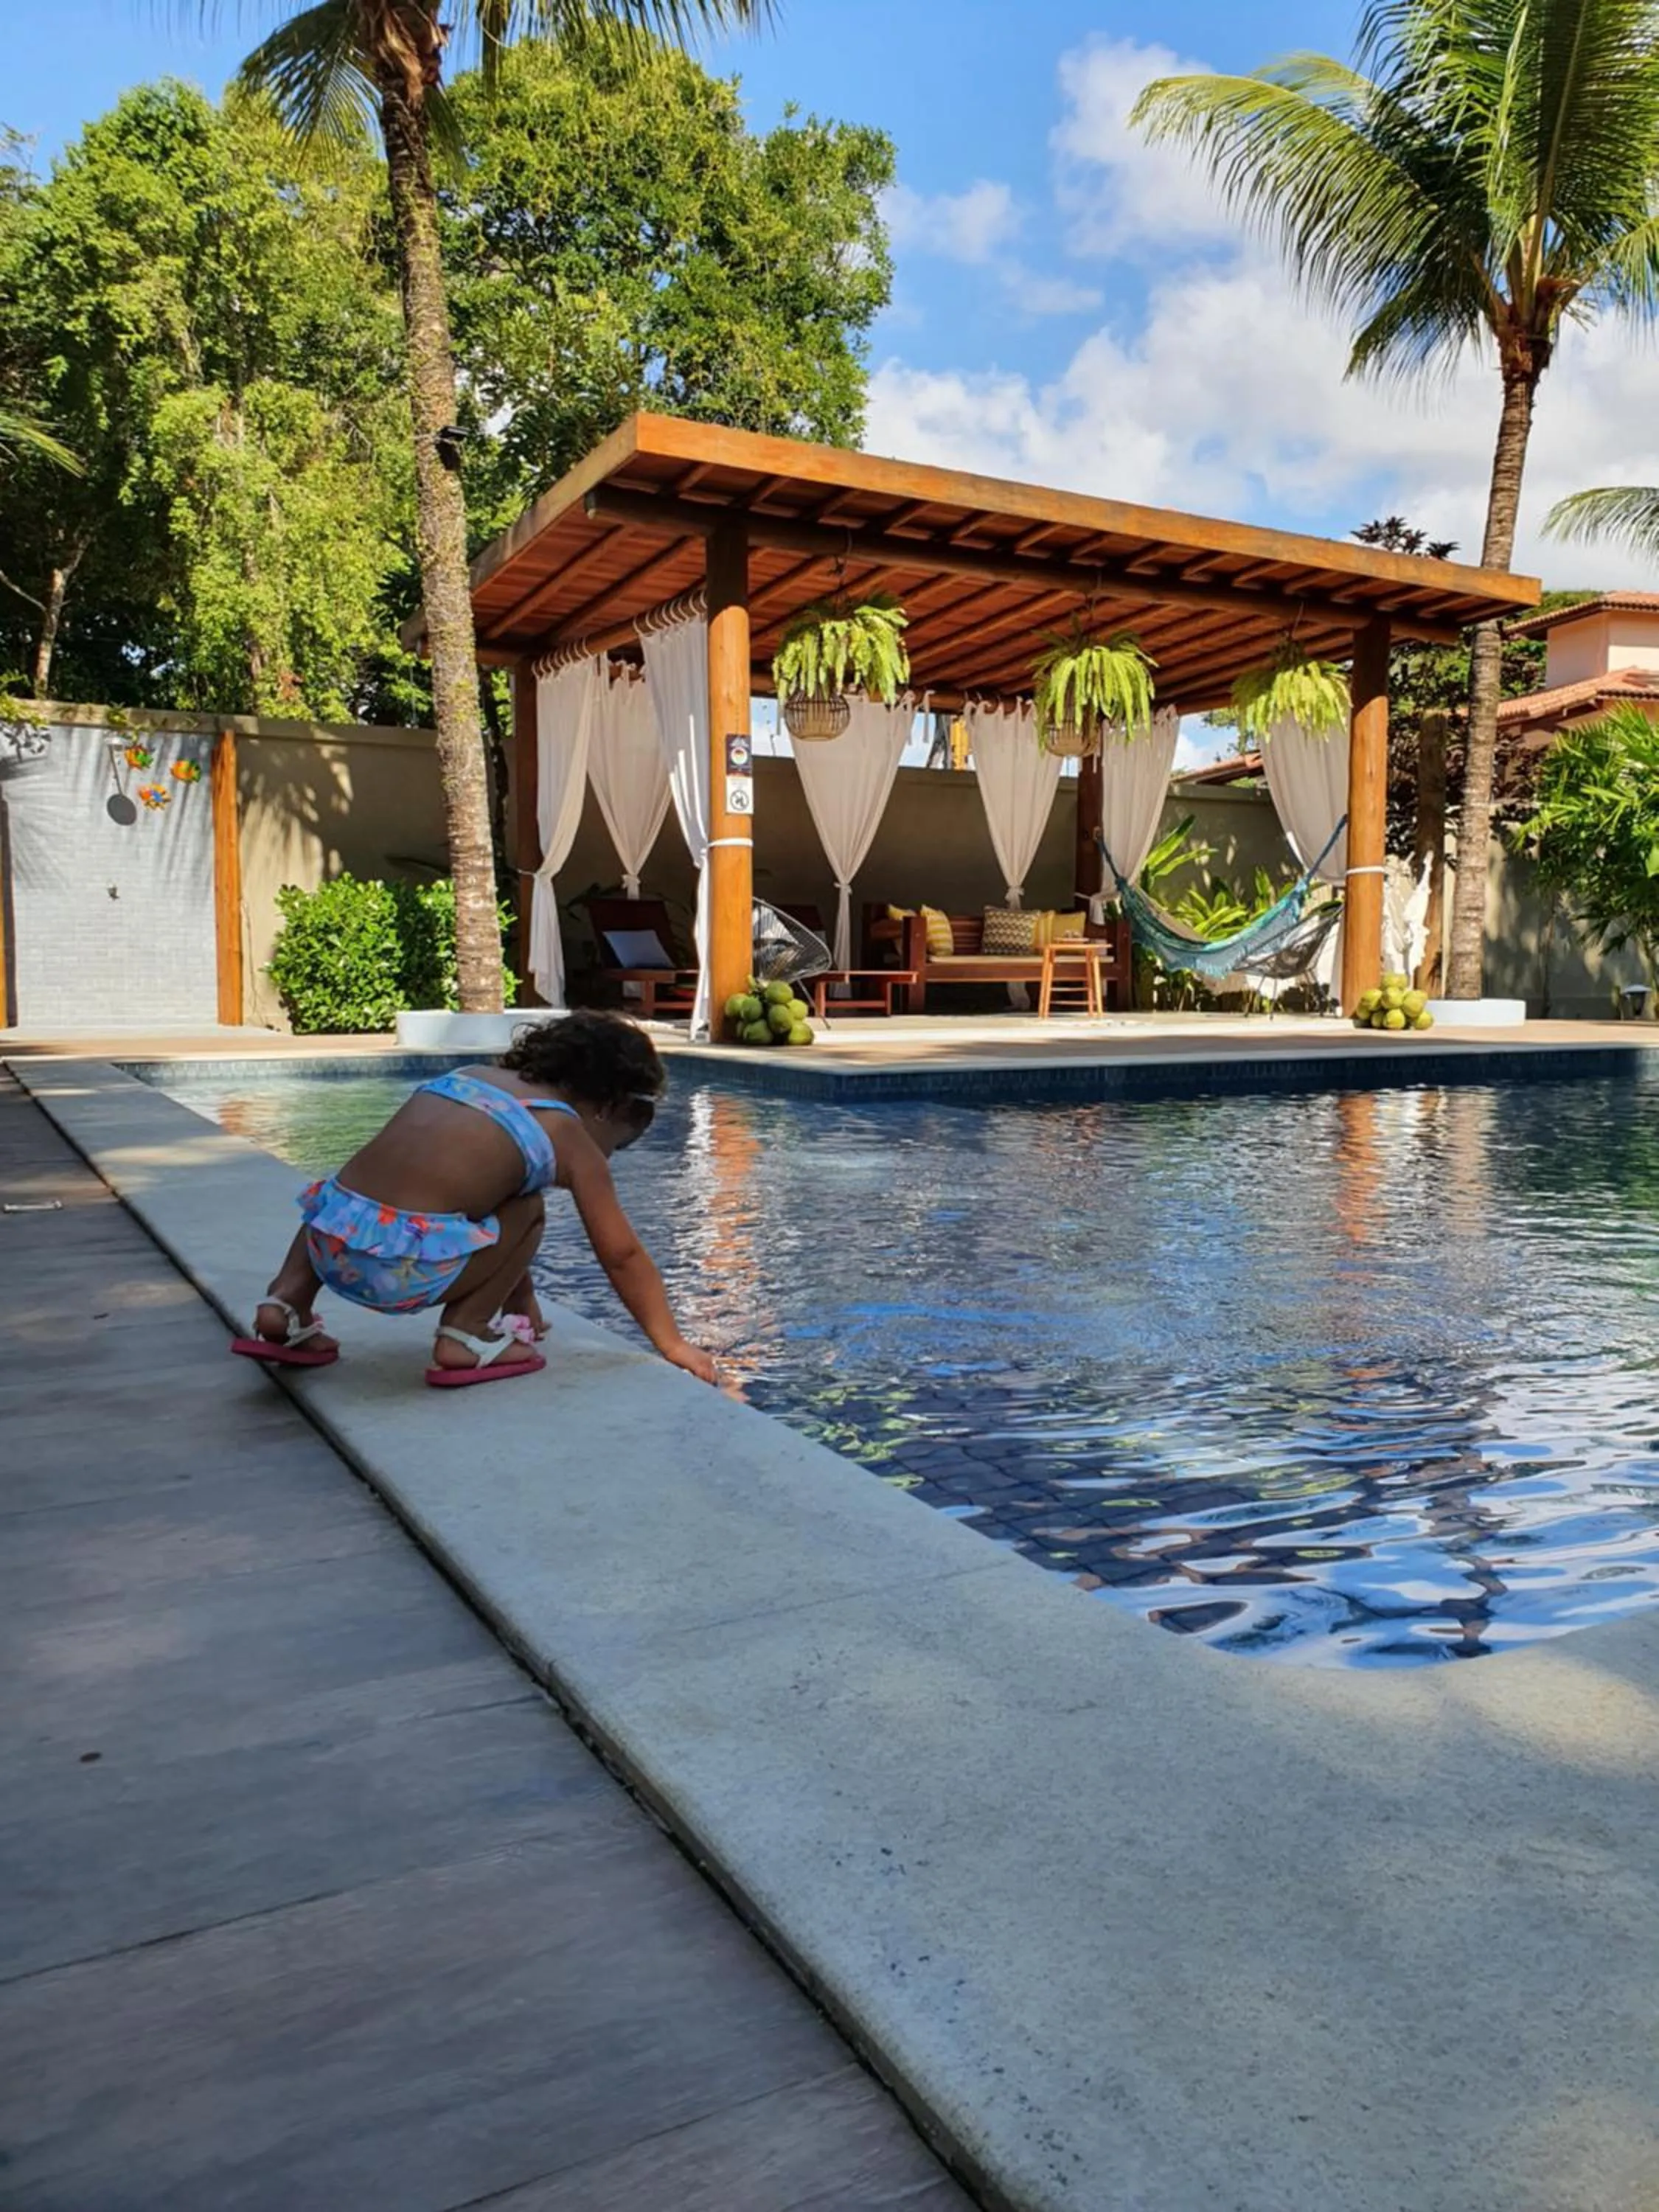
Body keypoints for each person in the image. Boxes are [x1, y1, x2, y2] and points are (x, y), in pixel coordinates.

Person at [231, 1011, 716, 1390]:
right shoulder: (566, 1134)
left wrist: (525, 1309)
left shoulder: (469, 1077)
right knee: (528, 1207)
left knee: (348, 1195)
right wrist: (671, 1343)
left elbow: (475, 1205)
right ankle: (464, 1334)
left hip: (327, 1251)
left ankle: (285, 1304)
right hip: (401, 1276)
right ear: (607, 1107)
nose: (607, 1156)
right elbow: (621, 1255)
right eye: (617, 1143)